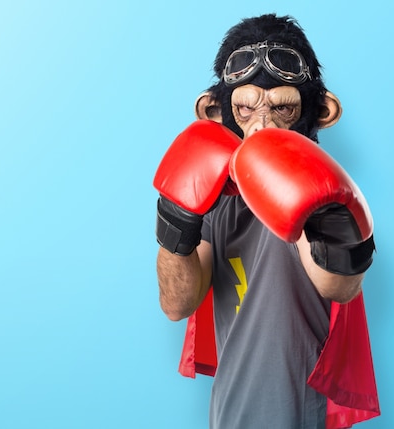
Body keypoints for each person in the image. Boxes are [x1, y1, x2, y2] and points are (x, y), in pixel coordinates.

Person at [153, 14, 380, 429]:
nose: (262, 125)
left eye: (283, 108)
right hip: (228, 415)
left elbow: (339, 286)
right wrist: (175, 223)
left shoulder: (322, 197)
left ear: (321, 112)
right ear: (216, 112)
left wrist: (329, 215)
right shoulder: (212, 201)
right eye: (245, 107)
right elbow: (176, 303)